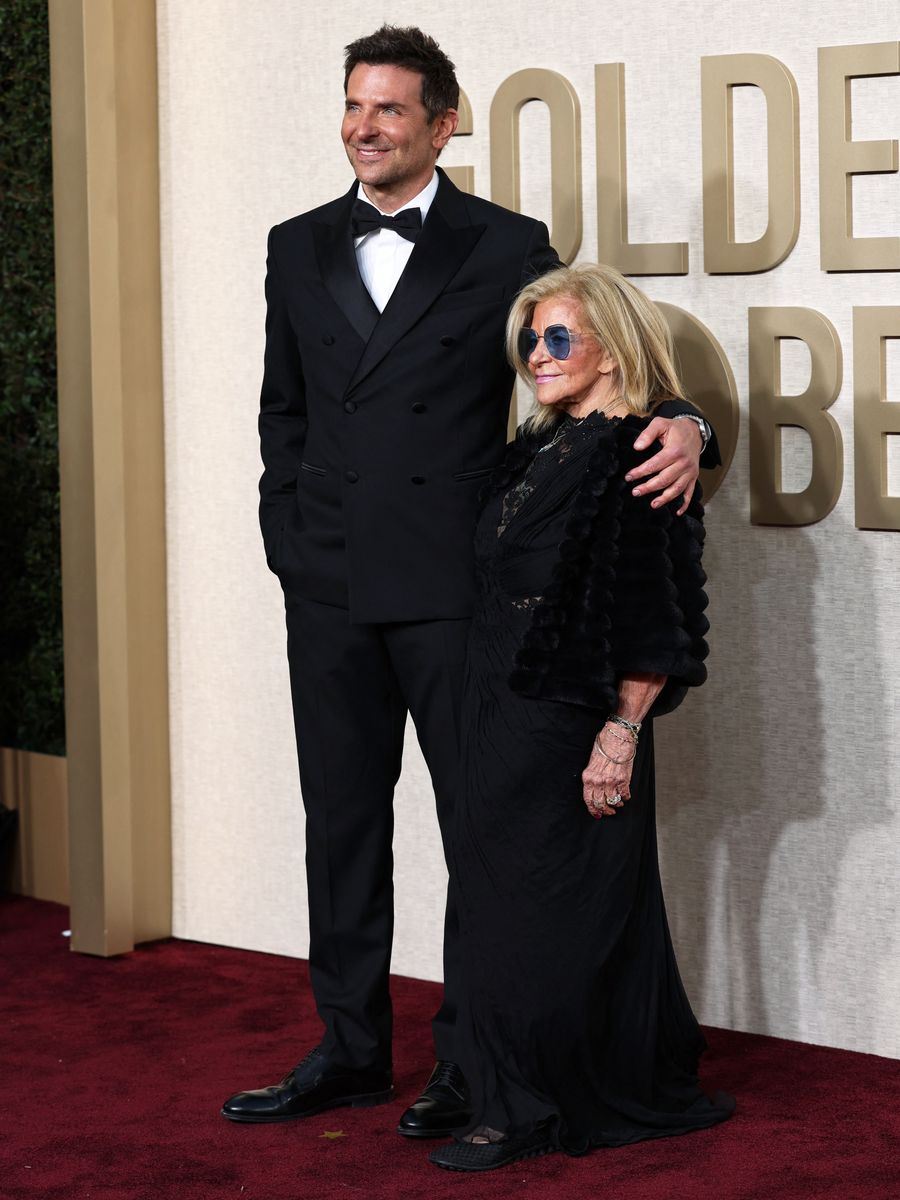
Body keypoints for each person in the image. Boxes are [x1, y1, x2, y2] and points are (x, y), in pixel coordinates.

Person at [221, 26, 718, 1138]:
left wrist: (689, 426)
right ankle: (350, 1049)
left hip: (460, 598)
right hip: (332, 588)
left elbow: (605, 358)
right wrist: (286, 536)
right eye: (355, 105)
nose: (365, 127)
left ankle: (467, 1059)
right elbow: (284, 409)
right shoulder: (295, 244)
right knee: (341, 825)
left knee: (483, 837)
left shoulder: (508, 245)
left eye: (391, 109)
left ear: (444, 123)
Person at [427, 262, 734, 1172]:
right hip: (495, 705)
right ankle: (495, 1083)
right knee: (495, 906)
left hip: (569, 718)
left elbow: (656, 611)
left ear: (612, 347)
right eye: (532, 338)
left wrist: (623, 730)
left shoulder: (643, 450)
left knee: (552, 914)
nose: (539, 353)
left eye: (559, 336)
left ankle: (533, 1105)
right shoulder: (538, 444)